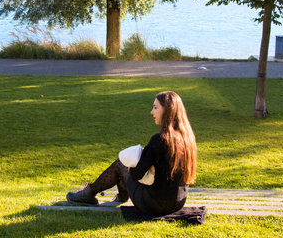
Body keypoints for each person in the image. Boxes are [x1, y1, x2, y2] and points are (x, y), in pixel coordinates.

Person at [66, 91, 197, 216]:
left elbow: (136, 175)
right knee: (125, 168)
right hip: (178, 202)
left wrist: (138, 159)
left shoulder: (159, 140)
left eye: (156, 108)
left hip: (156, 204)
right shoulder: (187, 139)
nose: (152, 112)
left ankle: (90, 193)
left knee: (121, 164)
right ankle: (117, 195)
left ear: (167, 110)